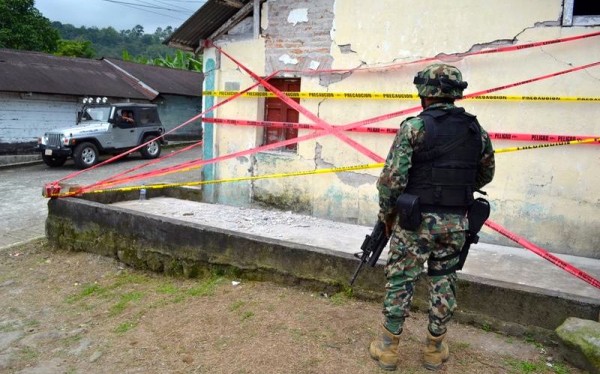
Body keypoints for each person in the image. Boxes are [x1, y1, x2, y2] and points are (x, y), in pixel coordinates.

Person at [369, 64, 495, 371]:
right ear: (456, 93)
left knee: (401, 279)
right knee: (444, 279)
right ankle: (434, 349)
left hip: (415, 220)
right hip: (456, 222)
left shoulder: (414, 127)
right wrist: (454, 189)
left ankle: (387, 348)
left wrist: (387, 216)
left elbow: (391, 181)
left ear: (423, 93)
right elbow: (485, 174)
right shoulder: (475, 130)